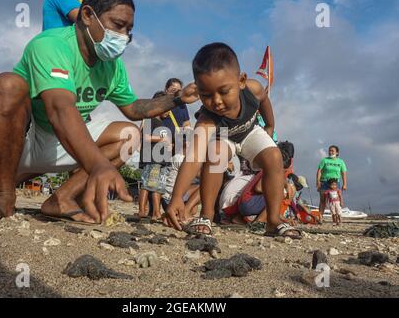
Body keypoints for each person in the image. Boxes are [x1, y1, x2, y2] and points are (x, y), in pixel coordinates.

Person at [0, 0, 198, 224]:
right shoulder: (51, 44)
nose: (123, 37)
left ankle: (62, 198)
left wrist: (177, 99)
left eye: (129, 30)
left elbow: (134, 108)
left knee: (130, 135)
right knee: (7, 85)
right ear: (87, 15)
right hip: (16, 140)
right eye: (117, 25)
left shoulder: (113, 67)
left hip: (59, 145)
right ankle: (3, 194)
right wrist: (98, 166)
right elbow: (59, 109)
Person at [166, 43, 301, 239]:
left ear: (241, 81)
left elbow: (264, 101)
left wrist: (270, 126)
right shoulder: (207, 119)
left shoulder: (253, 88)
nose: (217, 101)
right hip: (224, 136)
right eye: (206, 95)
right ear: (198, 91)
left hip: (249, 132)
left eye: (223, 91)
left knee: (274, 156)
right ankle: (206, 216)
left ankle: (273, 221)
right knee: (216, 154)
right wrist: (177, 196)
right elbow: (194, 157)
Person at [138, 91, 172, 221]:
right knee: (148, 184)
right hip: (152, 157)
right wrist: (162, 139)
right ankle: (142, 210)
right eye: (166, 107)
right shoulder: (149, 119)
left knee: (159, 186)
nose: (168, 111)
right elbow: (146, 137)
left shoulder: (162, 123)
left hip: (162, 159)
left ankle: (156, 212)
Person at [316, 145, 348, 218]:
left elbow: (344, 173)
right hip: (324, 182)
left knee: (336, 200)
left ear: (337, 152)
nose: (330, 152)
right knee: (323, 200)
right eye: (329, 151)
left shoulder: (340, 162)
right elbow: (319, 171)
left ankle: (337, 217)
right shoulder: (324, 160)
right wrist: (318, 182)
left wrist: (345, 184)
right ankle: (320, 217)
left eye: (332, 151)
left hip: (335, 183)